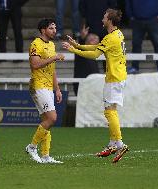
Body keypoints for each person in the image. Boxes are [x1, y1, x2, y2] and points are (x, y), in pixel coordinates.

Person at [62, 9, 129, 163]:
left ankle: (119, 143)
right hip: (119, 76)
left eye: (105, 17)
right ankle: (113, 144)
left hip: (114, 77)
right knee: (111, 110)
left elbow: (95, 54)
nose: (102, 19)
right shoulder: (117, 34)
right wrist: (78, 45)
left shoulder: (111, 37)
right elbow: (97, 47)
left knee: (110, 111)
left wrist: (73, 50)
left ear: (110, 20)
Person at [25, 18, 65, 164]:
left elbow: (52, 70)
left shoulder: (52, 45)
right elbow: (35, 64)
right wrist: (54, 57)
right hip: (38, 85)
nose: (54, 31)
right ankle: (32, 146)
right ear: (43, 30)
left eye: (55, 28)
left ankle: (45, 155)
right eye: (51, 28)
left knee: (46, 121)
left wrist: (58, 89)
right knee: (52, 118)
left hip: (48, 87)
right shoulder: (36, 44)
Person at [125, 0, 158, 73]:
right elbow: (128, 2)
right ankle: (135, 67)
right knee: (136, 44)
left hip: (153, 19)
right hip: (137, 20)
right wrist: (130, 15)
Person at [73, 25, 100, 95]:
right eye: (92, 39)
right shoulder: (81, 52)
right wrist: (82, 37)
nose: (94, 40)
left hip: (93, 87)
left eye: (96, 39)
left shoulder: (94, 55)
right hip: (82, 86)